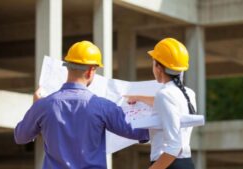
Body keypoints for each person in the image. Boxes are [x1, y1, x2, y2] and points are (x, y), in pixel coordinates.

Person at [14, 41, 149, 169]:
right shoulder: (102, 107)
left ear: (67, 66)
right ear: (91, 71)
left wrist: (35, 107)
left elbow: (20, 137)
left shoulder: (44, 105)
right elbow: (139, 131)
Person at [126, 38, 196, 169]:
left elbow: (174, 146)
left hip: (168, 163)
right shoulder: (188, 93)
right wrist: (139, 97)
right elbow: (168, 107)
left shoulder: (164, 95)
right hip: (186, 162)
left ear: (158, 67)